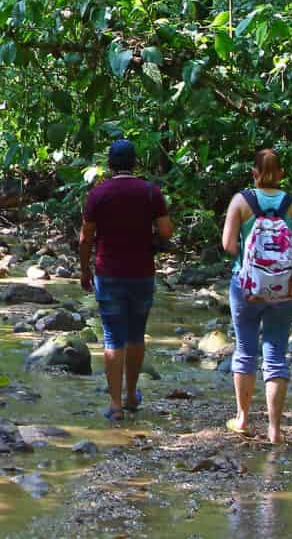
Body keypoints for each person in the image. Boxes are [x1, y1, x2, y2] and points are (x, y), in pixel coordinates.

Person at [78, 139, 173, 421]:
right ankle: (132, 394)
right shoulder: (150, 191)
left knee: (112, 337)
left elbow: (86, 238)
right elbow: (166, 231)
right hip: (142, 272)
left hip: (109, 273)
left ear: (109, 164)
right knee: (135, 334)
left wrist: (84, 270)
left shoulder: (99, 193)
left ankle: (115, 404)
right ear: (134, 163)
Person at [221, 148, 292, 444]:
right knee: (276, 354)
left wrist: (246, 254)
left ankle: (243, 419)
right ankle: (274, 429)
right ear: (281, 173)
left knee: (245, 350)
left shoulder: (241, 201)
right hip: (284, 288)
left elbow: (227, 245)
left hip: (246, 287)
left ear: (254, 172)